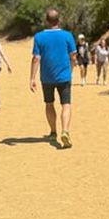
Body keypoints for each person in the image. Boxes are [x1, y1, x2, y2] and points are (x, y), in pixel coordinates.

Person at [29, 8, 77, 148]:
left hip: (47, 77)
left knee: (49, 104)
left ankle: (53, 132)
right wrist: (71, 70)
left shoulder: (39, 37)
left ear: (46, 20)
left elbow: (36, 58)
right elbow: (73, 56)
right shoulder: (67, 35)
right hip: (64, 76)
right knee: (66, 104)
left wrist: (32, 78)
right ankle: (65, 131)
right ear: (59, 20)